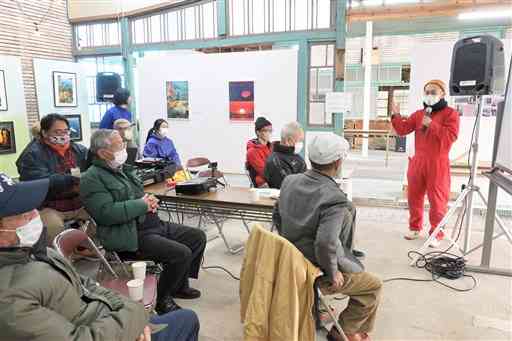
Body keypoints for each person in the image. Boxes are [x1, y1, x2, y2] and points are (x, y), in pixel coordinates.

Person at [0, 172, 200, 341]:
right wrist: (135, 318)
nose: (35, 216)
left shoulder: (38, 253)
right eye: (23, 212)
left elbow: (89, 286)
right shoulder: (9, 299)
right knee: (187, 319)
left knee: (193, 241)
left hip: (113, 320)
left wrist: (129, 310)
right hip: (110, 328)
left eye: (33, 207)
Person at [81, 129, 206, 314]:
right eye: (119, 145)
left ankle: (178, 285)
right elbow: (105, 213)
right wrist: (141, 205)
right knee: (181, 253)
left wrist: (149, 200)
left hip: (151, 225)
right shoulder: (92, 178)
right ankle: (163, 299)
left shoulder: (122, 170)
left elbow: (138, 196)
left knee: (197, 237)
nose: (124, 148)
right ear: (102, 152)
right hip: (129, 235)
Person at [273, 133, 381, 341]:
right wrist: (332, 273)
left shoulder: (290, 181)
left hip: (288, 264)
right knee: (373, 286)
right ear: (338, 162)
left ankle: (328, 313)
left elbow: (277, 216)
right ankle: (346, 331)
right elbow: (325, 243)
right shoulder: (334, 198)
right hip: (313, 272)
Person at [391, 79, 460, 248]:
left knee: (437, 200)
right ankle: (415, 227)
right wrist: (395, 115)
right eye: (427, 92)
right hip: (418, 161)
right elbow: (402, 129)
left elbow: (450, 137)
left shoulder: (451, 114)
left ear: (442, 94)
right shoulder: (419, 114)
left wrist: (433, 125)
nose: (429, 95)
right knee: (414, 196)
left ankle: (437, 232)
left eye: (433, 92)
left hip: (438, 162)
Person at [15, 114, 89, 243]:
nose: (63, 135)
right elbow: (42, 182)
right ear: (44, 132)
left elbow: (92, 169)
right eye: (57, 132)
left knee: (103, 214)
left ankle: (82, 248)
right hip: (49, 206)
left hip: (79, 201)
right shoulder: (31, 155)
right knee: (54, 228)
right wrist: (73, 178)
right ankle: (58, 259)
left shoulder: (78, 149)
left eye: (66, 131)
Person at [264, 121, 306, 189]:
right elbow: (287, 187)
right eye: (300, 140)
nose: (301, 143)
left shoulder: (296, 156)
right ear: (289, 140)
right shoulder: (275, 161)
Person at [246, 116, 273, 188]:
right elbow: (264, 172)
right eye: (266, 130)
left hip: (272, 179)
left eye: (270, 130)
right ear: (258, 132)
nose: (269, 133)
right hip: (262, 183)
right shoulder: (252, 151)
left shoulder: (271, 147)